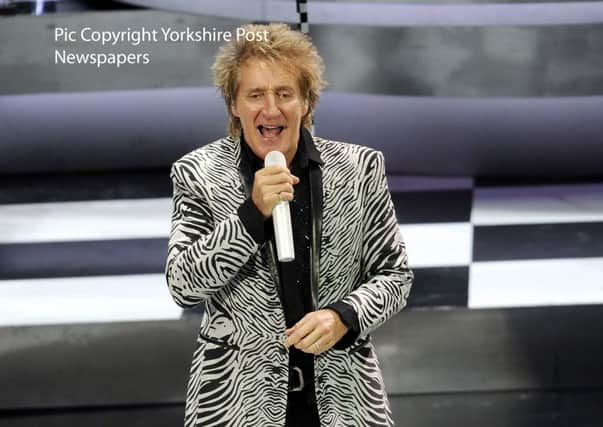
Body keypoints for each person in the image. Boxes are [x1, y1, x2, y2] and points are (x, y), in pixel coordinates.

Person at [165, 22, 413, 427]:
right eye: (255, 95)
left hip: (344, 401)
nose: (271, 110)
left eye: (284, 94)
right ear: (234, 104)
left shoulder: (359, 168)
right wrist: (250, 216)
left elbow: (395, 276)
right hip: (237, 405)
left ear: (307, 103)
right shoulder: (197, 173)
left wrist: (345, 315)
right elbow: (183, 285)